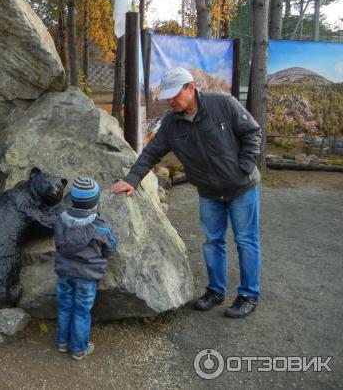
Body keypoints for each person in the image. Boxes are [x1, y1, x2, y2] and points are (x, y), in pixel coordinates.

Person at [111, 67, 262, 318]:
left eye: (175, 95)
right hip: (209, 192)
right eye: (167, 96)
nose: (170, 101)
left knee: (246, 242)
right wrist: (132, 180)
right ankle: (215, 291)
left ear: (191, 88)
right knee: (213, 241)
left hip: (241, 189)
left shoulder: (223, 104)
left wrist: (244, 166)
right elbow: (151, 153)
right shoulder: (171, 124)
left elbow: (252, 132)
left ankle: (248, 295)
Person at [54, 176, 118, 360]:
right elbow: (110, 247)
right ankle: (79, 349)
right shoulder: (101, 227)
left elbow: (58, 243)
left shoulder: (60, 221)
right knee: (81, 312)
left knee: (65, 307)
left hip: (64, 273)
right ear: (96, 202)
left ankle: (62, 343)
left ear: (72, 200)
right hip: (87, 278)